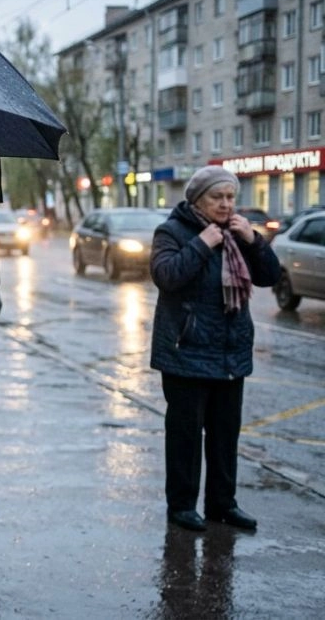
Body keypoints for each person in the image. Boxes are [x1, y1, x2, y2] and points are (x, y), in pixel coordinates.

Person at [150, 165, 280, 532]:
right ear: (197, 200)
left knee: (225, 435)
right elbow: (167, 276)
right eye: (217, 198)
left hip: (229, 353)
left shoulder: (238, 234)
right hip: (185, 351)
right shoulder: (171, 231)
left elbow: (270, 276)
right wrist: (202, 243)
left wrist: (253, 240)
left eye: (230, 198)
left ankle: (222, 504)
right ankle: (181, 506)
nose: (226, 205)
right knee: (185, 437)